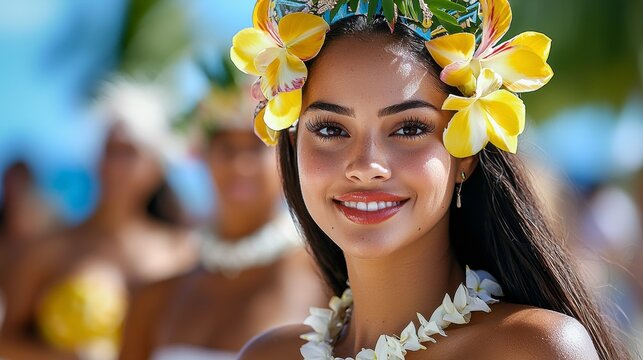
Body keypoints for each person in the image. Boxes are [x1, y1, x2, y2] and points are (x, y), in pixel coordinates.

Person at [225, 0, 630, 358]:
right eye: (331, 129)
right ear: (294, 145)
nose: (366, 165)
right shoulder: (267, 354)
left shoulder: (528, 349)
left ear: (465, 154)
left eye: (409, 128)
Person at [118, 71, 326, 360]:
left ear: (288, 155)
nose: (239, 164)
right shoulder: (156, 297)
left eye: (256, 146)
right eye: (225, 148)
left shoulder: (325, 277)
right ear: (201, 156)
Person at [0, 79, 196, 360]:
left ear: (155, 169)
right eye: (109, 150)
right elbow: (5, 342)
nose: (115, 164)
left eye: (129, 152)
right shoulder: (49, 249)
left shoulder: (184, 252)